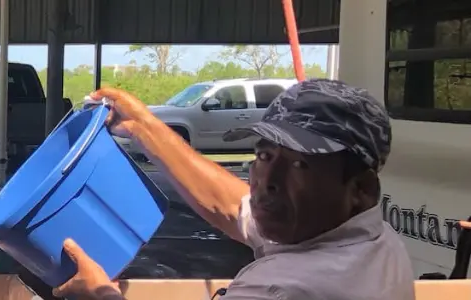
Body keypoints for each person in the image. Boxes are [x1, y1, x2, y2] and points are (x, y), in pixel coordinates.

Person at [54, 80, 415, 300]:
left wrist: (99, 296)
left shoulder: (284, 289)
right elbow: (233, 206)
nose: (266, 180)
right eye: (264, 154)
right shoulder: (371, 239)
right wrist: (144, 126)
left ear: (361, 189)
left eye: (300, 163)